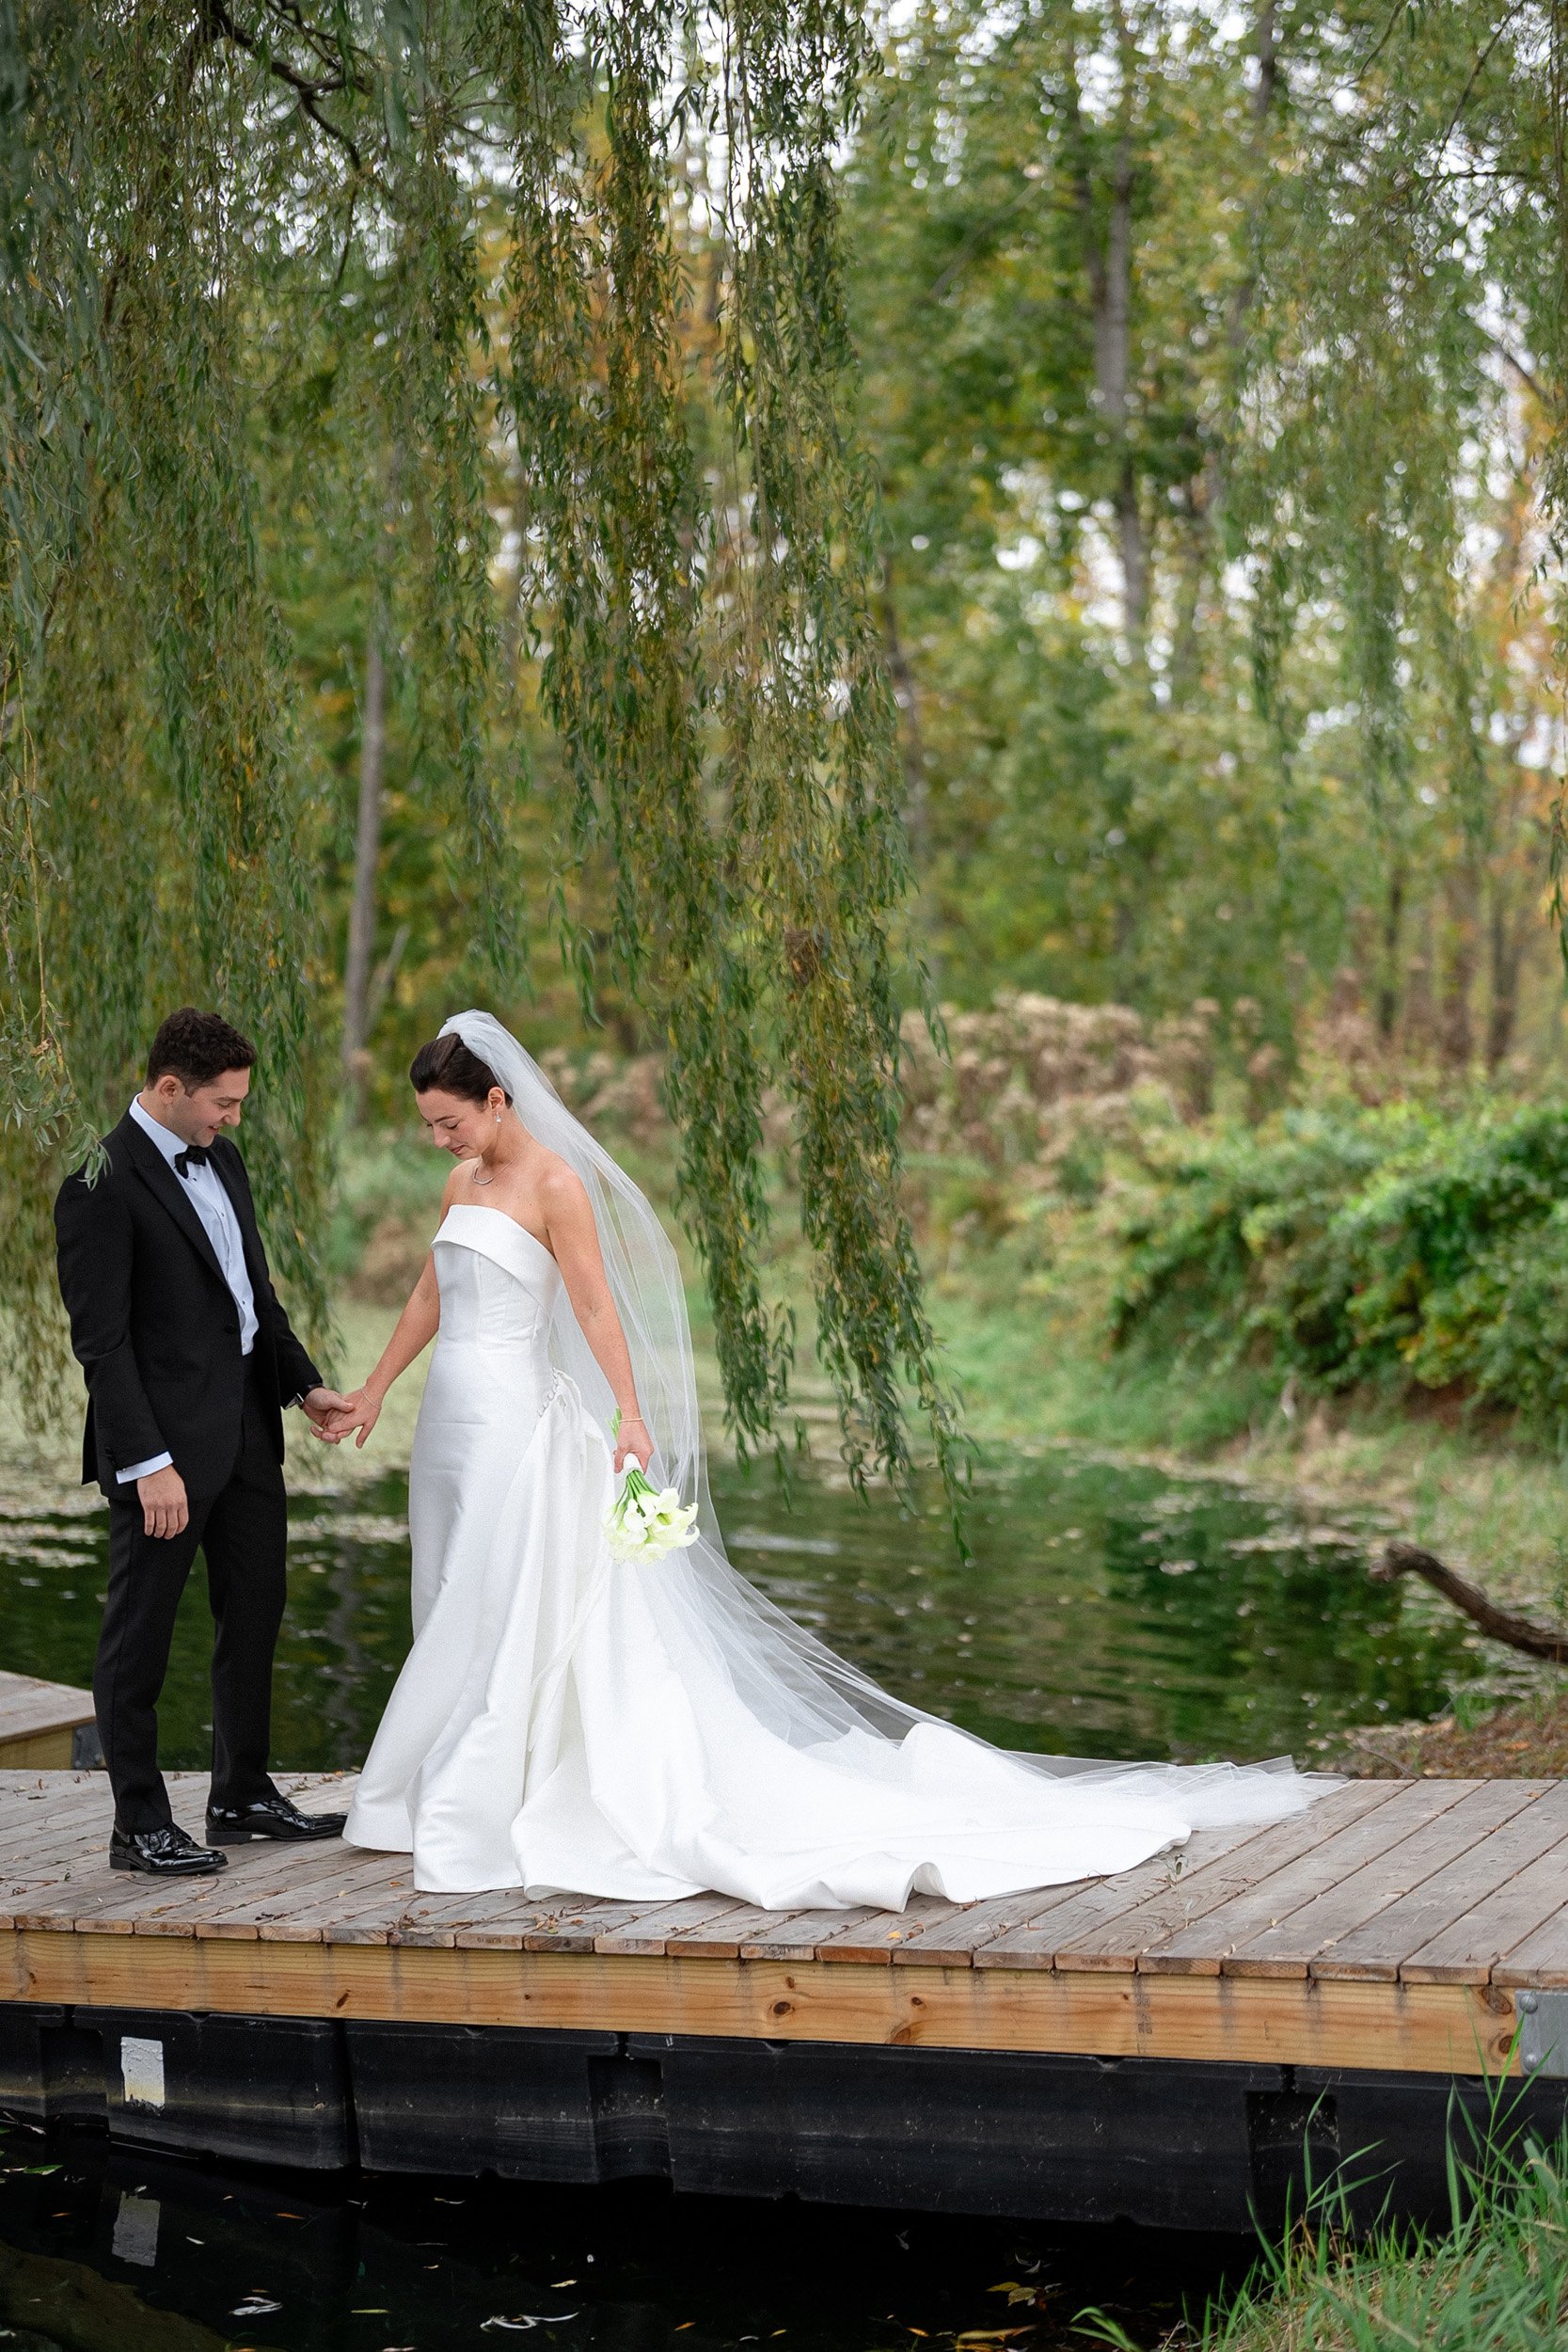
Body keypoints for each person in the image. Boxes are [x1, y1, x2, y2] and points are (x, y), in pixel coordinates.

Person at [328, 1011, 1338, 1901]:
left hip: (517, 1415)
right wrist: (377, 1388)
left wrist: (629, 1414)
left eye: (449, 1121)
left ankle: (492, 1787)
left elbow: (592, 1306)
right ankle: (437, 1779)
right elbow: (431, 1291)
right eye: (429, 1125)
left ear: (498, 1100)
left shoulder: (555, 1183)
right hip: (449, 1419)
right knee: (450, 1582)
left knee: (506, 1593)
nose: (439, 1140)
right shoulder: (463, 1183)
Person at [54, 1009, 352, 1876]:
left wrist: (302, 1386)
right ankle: (137, 1824)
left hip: (250, 1434)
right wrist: (147, 1464)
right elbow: (100, 1342)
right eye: (222, 1103)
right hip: (164, 1456)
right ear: (170, 1088)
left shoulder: (223, 1157)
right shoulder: (96, 1181)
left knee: (256, 1610)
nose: (233, 1118)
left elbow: (251, 1296)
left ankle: (242, 1794)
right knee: (138, 1635)